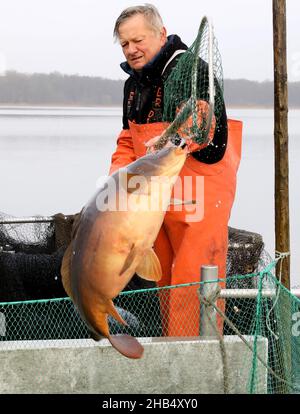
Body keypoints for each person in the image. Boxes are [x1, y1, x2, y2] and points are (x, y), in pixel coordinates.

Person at [110, 4, 242, 336]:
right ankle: (173, 353)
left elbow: (213, 137)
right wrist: (116, 179)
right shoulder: (133, 86)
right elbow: (128, 139)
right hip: (158, 202)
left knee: (193, 283)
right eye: (124, 44)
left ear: (161, 34)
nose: (131, 49)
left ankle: (199, 368)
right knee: (166, 283)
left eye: (138, 40)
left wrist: (175, 137)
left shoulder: (191, 70)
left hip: (200, 200)